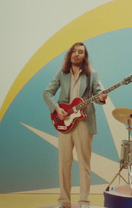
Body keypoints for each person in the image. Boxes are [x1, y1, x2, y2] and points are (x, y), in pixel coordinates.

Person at [43, 42, 108, 208]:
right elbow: (47, 92)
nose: (77, 54)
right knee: (64, 163)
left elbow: (97, 96)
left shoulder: (92, 74)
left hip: (83, 122)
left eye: (80, 52)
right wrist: (56, 109)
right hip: (64, 122)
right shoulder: (62, 73)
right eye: (74, 51)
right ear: (70, 54)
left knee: (84, 163)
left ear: (84, 56)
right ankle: (64, 201)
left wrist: (101, 98)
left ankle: (84, 201)